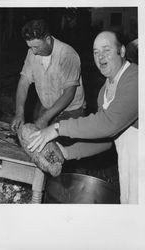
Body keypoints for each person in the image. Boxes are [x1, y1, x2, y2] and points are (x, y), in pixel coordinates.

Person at [27, 30, 138, 204]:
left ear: (122, 51)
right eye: (96, 52)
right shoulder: (105, 91)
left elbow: (109, 124)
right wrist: (67, 152)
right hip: (129, 168)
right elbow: (107, 139)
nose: (100, 56)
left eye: (106, 50)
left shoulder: (136, 79)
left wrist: (58, 128)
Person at [11, 19, 85, 132]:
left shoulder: (67, 54)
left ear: (48, 40)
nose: (33, 52)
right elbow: (24, 82)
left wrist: (44, 119)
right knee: (32, 136)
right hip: (46, 105)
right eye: (30, 47)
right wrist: (19, 113)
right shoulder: (32, 53)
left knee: (57, 146)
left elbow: (69, 93)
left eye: (36, 47)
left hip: (71, 111)